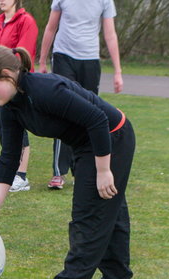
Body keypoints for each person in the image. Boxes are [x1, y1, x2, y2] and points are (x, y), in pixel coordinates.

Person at [0, 45, 135, 279]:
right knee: (109, 215)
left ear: (7, 75)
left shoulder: (45, 90)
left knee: (89, 219)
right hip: (86, 145)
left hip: (111, 139)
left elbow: (97, 119)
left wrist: (103, 170)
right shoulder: (10, 106)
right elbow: (9, 158)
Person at [39, 0, 123, 190]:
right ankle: (59, 172)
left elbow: (110, 34)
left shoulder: (105, 1)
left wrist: (118, 71)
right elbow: (51, 27)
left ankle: (83, 168)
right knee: (63, 112)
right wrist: (42, 60)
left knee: (90, 115)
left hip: (90, 60)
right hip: (63, 57)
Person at [0, 0, 38, 192]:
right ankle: (8, 176)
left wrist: (5, 76)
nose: (2, 0)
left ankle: (21, 176)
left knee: (18, 128)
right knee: (4, 128)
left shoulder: (26, 21)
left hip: (16, 83)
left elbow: (22, 54)